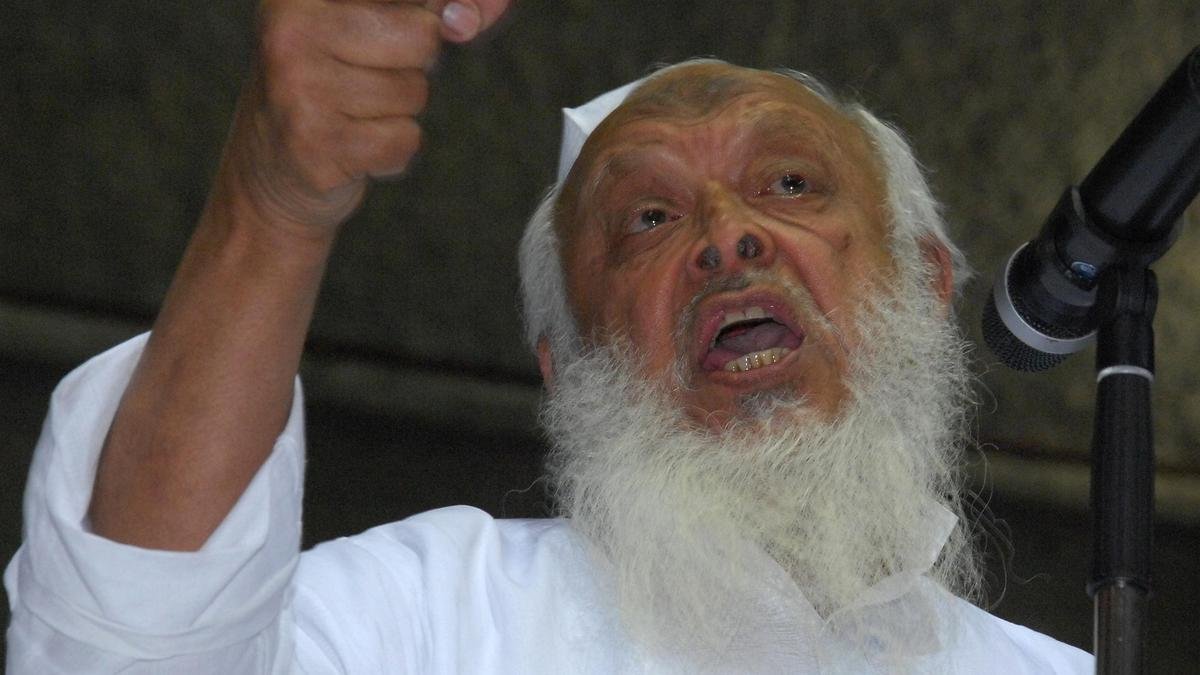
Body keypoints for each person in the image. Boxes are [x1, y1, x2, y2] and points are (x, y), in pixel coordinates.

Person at [5, 1, 1093, 672]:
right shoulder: (433, 617)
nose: (729, 238)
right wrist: (272, 205)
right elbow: (126, 655)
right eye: (650, 219)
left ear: (927, 283)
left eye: (791, 185)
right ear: (567, 368)